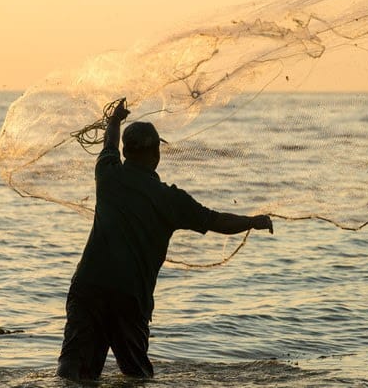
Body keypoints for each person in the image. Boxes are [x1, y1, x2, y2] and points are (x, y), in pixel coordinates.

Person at [56, 98, 273, 381]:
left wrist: (115, 119)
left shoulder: (107, 174)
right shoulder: (170, 200)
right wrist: (253, 221)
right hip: (129, 297)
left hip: (88, 288)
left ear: (125, 151)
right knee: (137, 376)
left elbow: (108, 143)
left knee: (73, 373)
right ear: (156, 155)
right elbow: (215, 220)